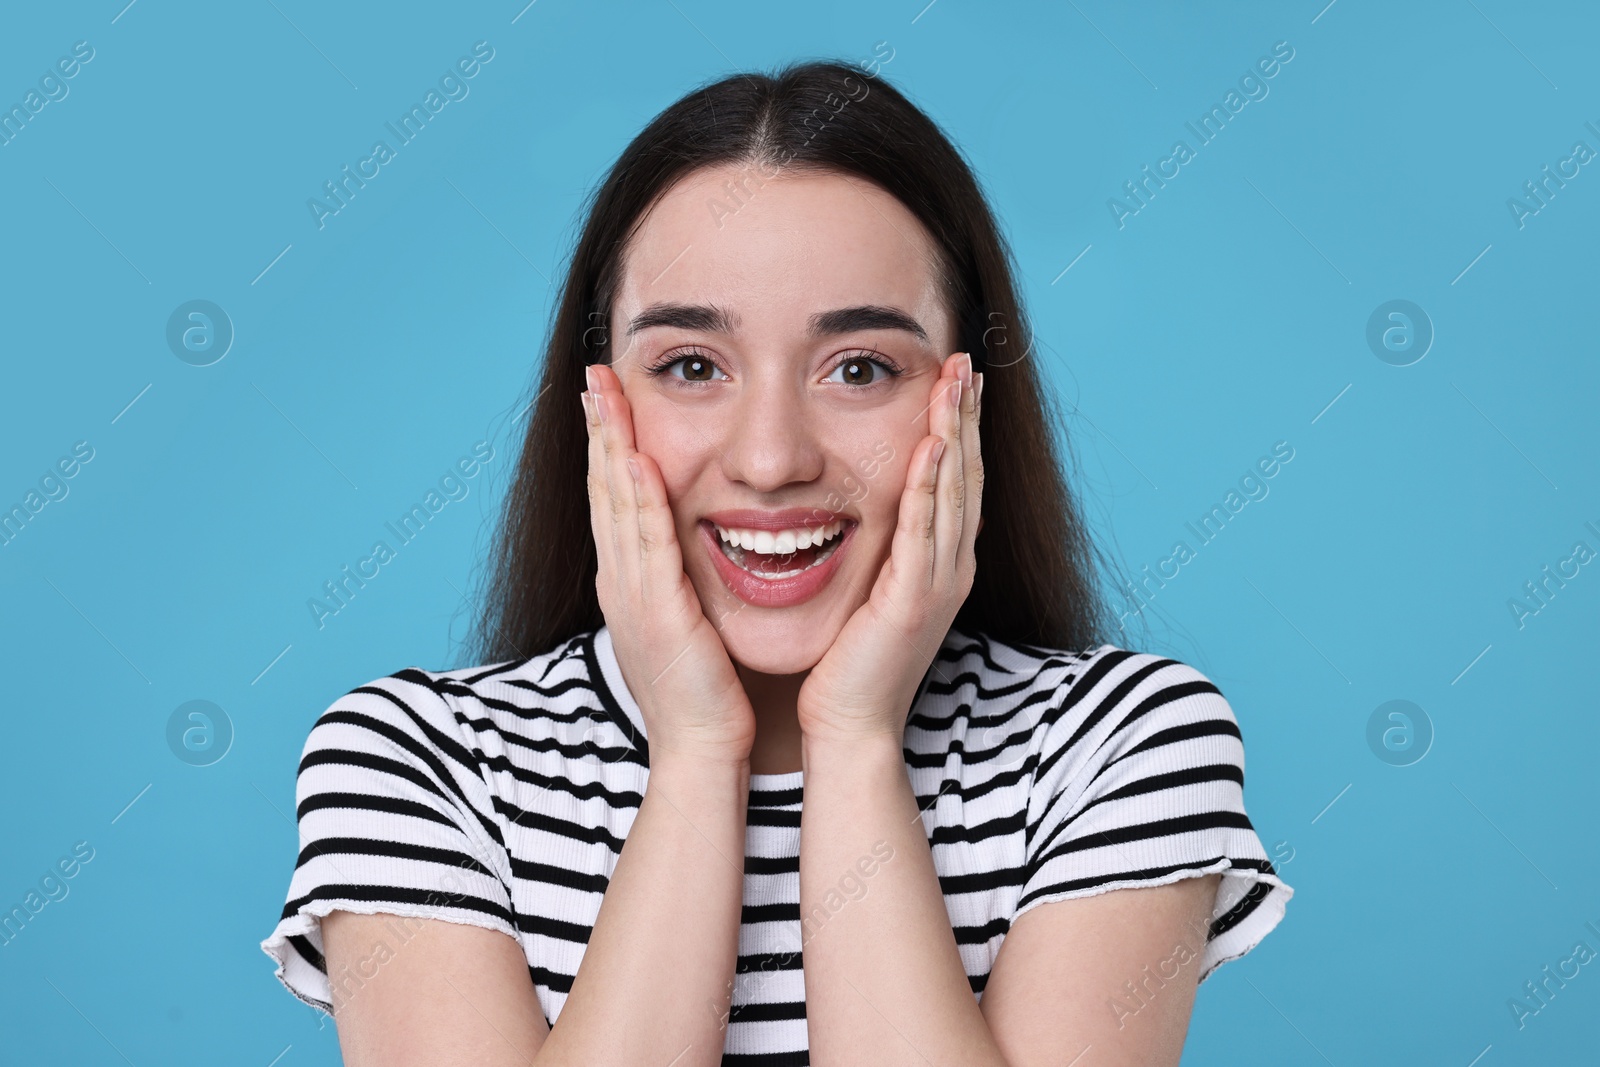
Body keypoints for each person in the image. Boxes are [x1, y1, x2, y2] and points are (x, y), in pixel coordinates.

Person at [261, 56, 1293, 1066]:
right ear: (596, 402)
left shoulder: (1116, 746)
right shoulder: (421, 763)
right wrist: (699, 751)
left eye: (859, 367)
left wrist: (852, 739)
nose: (770, 459)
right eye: (692, 366)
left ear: (966, 396)